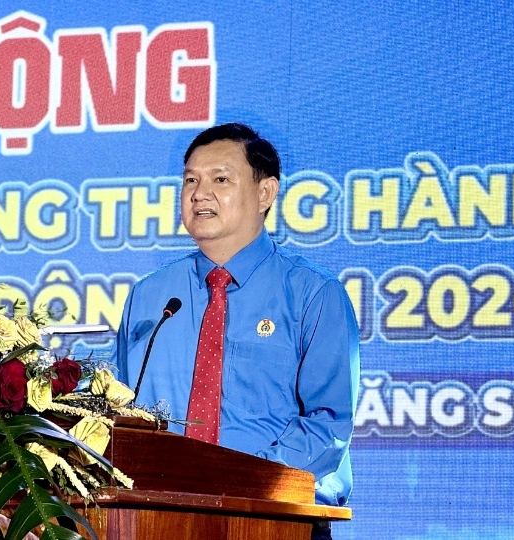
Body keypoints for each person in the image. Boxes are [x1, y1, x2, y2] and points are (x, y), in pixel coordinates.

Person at [113, 123, 359, 539]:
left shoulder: (313, 295)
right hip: (156, 518)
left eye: (220, 179)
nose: (198, 193)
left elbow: (326, 423)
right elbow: (117, 409)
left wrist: (242, 480)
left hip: (274, 521)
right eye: (190, 179)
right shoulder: (151, 296)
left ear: (265, 193)